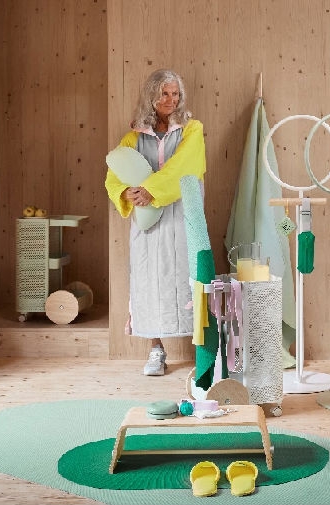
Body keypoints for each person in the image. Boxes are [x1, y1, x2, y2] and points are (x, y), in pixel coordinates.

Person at [105, 68, 206, 376]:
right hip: (147, 220)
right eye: (164, 93)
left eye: (175, 94)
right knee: (148, 279)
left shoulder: (191, 129)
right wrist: (126, 192)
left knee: (190, 275)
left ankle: (203, 351)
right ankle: (156, 350)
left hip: (182, 214)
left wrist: (153, 190)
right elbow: (114, 176)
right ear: (152, 95)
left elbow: (186, 166)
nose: (170, 100)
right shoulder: (134, 137)